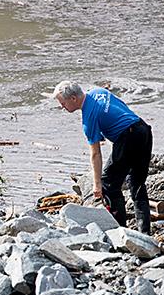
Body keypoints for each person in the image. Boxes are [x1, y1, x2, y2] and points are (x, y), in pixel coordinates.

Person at [53, 80, 152, 234]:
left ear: (73, 98)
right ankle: (145, 232)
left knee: (108, 183)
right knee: (137, 183)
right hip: (143, 129)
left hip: (128, 137)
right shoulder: (98, 92)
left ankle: (121, 231)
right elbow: (120, 108)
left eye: (63, 103)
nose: (62, 107)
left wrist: (97, 184)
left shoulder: (88, 118)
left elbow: (96, 154)